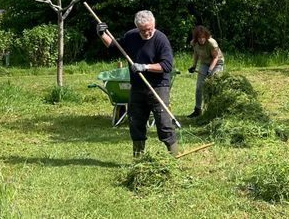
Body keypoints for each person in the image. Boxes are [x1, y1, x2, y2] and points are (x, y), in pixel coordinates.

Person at [96, 10, 177, 157]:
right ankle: (138, 158)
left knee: (164, 124)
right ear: (137, 27)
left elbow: (166, 66)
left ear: (154, 24)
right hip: (137, 87)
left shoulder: (161, 39)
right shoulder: (131, 36)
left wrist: (145, 67)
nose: (147, 33)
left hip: (158, 87)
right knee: (136, 123)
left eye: (149, 29)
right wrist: (102, 34)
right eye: (143, 30)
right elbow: (114, 46)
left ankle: (174, 157)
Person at [187, 25, 224, 118]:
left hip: (217, 63)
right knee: (199, 86)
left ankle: (215, 110)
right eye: (199, 38)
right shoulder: (194, 43)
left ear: (206, 37)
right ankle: (197, 109)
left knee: (213, 86)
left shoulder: (212, 43)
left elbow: (215, 58)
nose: (201, 40)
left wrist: (210, 70)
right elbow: (196, 54)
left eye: (203, 37)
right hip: (204, 63)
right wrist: (194, 66)